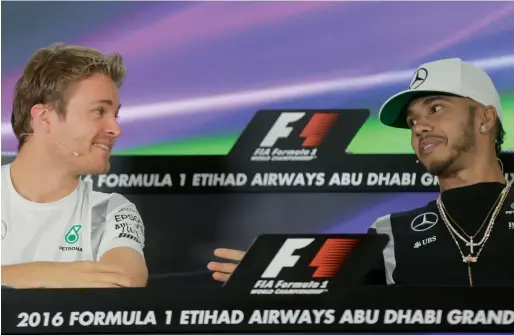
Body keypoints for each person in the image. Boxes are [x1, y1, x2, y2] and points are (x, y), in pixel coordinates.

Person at [207, 58, 513, 287]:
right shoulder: (391, 232)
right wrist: (267, 274)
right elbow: (320, 284)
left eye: (436, 109)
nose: (420, 127)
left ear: (485, 118)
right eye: (412, 121)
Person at [1, 43, 148, 288]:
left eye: (115, 115)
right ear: (44, 118)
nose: (115, 129)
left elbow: (123, 283)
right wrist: (47, 274)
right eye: (99, 111)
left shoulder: (112, 209)